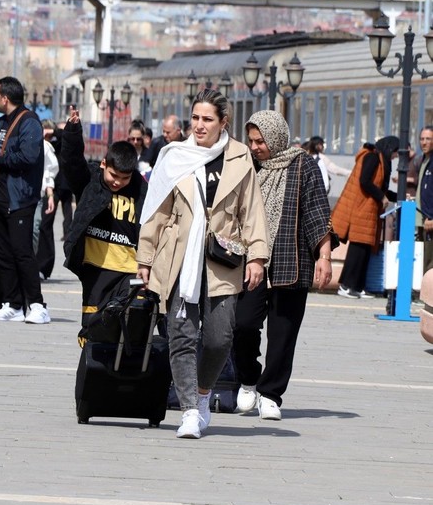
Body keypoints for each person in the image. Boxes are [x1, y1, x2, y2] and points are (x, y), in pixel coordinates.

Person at [136, 88, 269, 439]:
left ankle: (205, 393)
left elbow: (251, 210)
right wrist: (145, 258)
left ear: (223, 122)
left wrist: (257, 255)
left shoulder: (239, 157)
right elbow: (156, 211)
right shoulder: (175, 156)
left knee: (218, 337)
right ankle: (189, 411)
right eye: (194, 118)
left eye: (207, 119)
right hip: (178, 258)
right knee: (180, 334)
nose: (199, 125)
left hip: (223, 258)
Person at [232, 111, 335, 420]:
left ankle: (270, 394)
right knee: (242, 324)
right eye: (251, 140)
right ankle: (249, 379)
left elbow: (317, 212)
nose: (255, 147)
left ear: (276, 138)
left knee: (283, 333)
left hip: (292, 260)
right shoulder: (246, 166)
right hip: (251, 261)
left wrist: (325, 257)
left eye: (260, 141)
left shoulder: (304, 165)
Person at [60, 107, 146, 336]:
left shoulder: (140, 188)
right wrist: (72, 131)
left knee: (128, 327)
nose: (118, 182)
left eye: (124, 178)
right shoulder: (91, 181)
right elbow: (71, 163)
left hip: (129, 269)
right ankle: (91, 368)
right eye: (113, 175)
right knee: (93, 326)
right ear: (103, 165)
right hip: (96, 268)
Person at [0, 76, 50, 324]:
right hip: (0, 197)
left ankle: (38, 305)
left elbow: (28, 157)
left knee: (22, 252)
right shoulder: (2, 124)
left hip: (20, 199)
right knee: (3, 252)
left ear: (5, 98)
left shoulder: (29, 122)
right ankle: (13, 304)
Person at [332, 136, 399, 299]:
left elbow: (380, 188)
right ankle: (346, 285)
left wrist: (397, 196)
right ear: (389, 148)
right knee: (358, 249)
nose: (395, 157)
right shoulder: (372, 157)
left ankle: (357, 286)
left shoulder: (380, 159)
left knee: (365, 250)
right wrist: (381, 197)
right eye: (395, 153)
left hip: (369, 210)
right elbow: (365, 181)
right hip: (362, 209)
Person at [32, 119, 59, 270]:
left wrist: (50, 196)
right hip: (19, 194)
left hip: (38, 197)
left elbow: (49, 173)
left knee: (35, 230)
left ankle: (30, 265)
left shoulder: (46, 148)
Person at [416, 126, 433, 274]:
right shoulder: (423, 160)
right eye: (422, 139)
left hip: (429, 219)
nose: (424, 142)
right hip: (422, 219)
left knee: (429, 261)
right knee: (422, 258)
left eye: (428, 139)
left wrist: (431, 216)